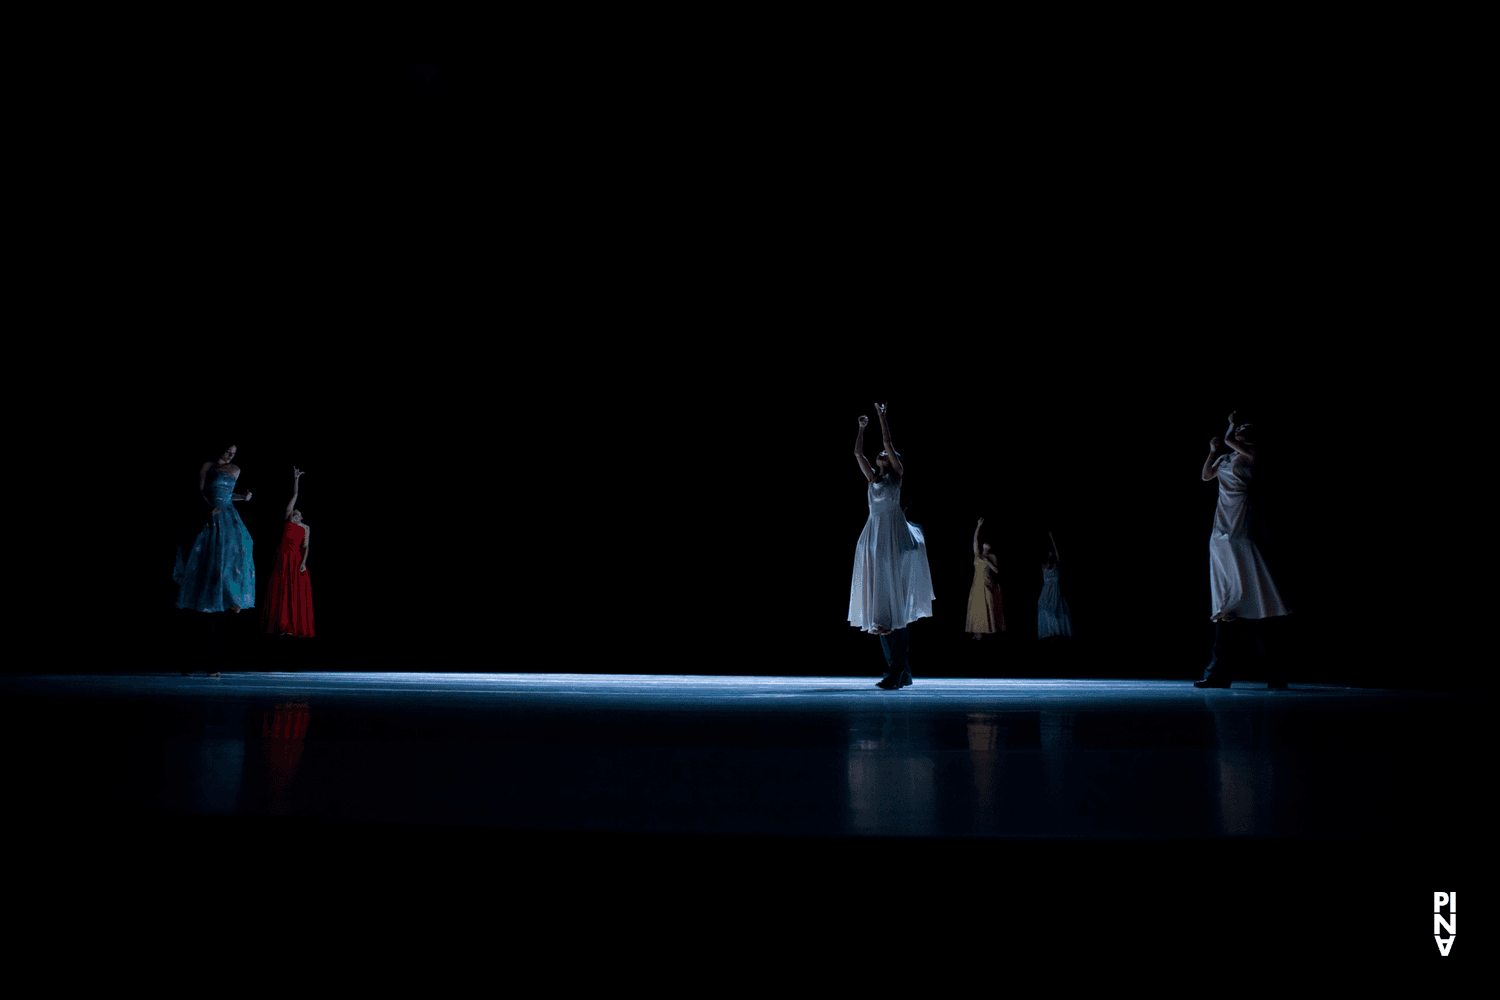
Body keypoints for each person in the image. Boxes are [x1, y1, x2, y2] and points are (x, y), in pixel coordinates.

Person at [1195, 412, 1291, 689]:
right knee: (1227, 608)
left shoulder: (1251, 454)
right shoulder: (1226, 457)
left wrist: (1231, 424)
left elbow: (1228, 438)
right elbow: (1205, 476)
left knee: (1255, 603)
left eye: (1245, 429)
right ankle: (1218, 674)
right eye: (1240, 429)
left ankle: (1274, 674)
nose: (1240, 431)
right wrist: (1212, 452)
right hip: (1222, 520)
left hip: (1239, 516)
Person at [849, 402, 935, 689]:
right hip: (875, 537)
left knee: (894, 610)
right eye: (882, 453)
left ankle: (896, 672)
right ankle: (902, 671)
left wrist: (881, 417)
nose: (883, 452)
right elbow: (857, 453)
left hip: (894, 536)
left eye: (889, 453)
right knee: (880, 611)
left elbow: (887, 441)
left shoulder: (897, 476)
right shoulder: (873, 478)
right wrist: (861, 429)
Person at [174, 444, 255, 677]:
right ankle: (193, 661)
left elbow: (230, 496)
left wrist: (243, 497)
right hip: (211, 514)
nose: (231, 456)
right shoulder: (207, 466)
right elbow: (199, 491)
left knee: (237, 553)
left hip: (229, 516)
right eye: (228, 451)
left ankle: (233, 596)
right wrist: (208, 508)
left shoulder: (236, 469)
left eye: (234, 453)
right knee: (207, 560)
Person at [263, 466, 315, 638]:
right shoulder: (287, 521)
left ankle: (293, 626)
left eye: (298, 514)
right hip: (283, 557)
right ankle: (282, 625)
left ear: (301, 516)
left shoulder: (306, 528)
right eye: (293, 513)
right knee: (282, 590)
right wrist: (296, 480)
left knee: (296, 592)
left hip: (296, 558)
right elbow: (295, 496)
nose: (295, 515)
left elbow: (306, 547)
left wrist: (304, 562)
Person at [965, 518, 1005, 639]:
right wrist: (978, 526)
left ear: (990, 546)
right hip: (976, 583)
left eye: (988, 543)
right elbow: (974, 541)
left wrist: (989, 562)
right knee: (977, 607)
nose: (986, 543)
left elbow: (997, 570)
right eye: (985, 542)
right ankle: (978, 633)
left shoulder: (992, 556)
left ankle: (986, 630)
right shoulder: (978, 554)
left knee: (986, 606)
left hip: (987, 582)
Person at [1037, 530, 1073, 643]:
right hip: (1047, 592)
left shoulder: (1057, 565)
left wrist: (1052, 539)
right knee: (1047, 610)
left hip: (1056, 592)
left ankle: (1058, 633)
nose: (1050, 557)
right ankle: (1051, 632)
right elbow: (1047, 564)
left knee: (1059, 611)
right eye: (1049, 555)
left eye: (1051, 556)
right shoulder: (1044, 567)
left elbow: (1057, 554)